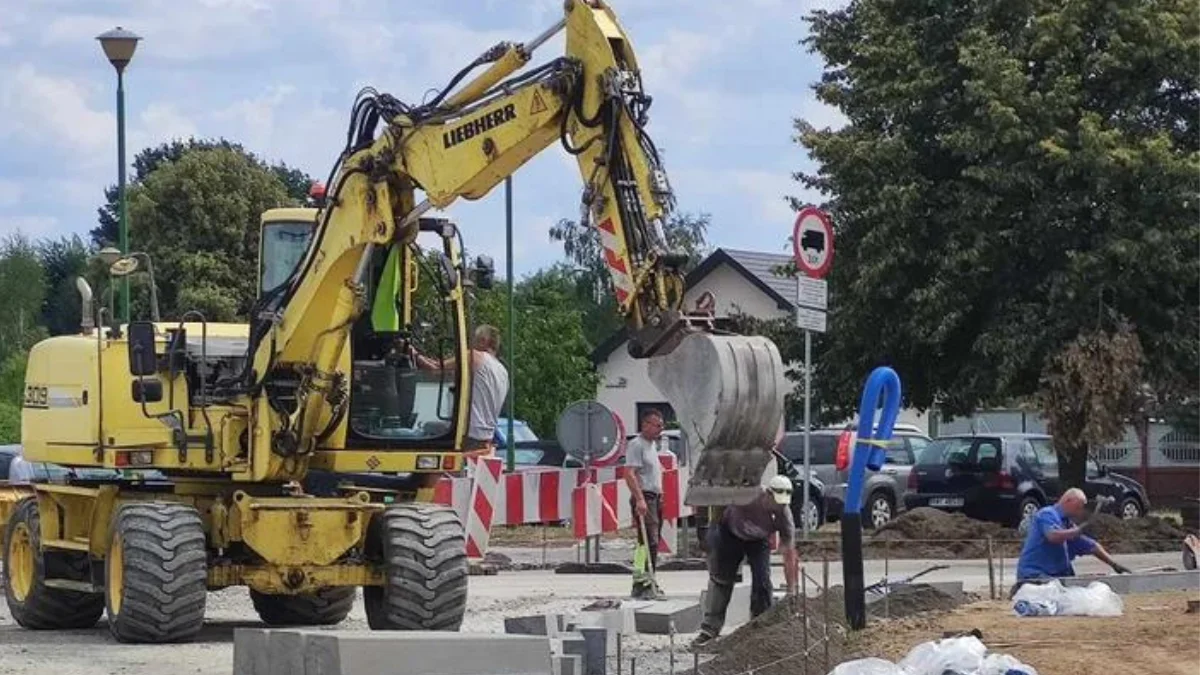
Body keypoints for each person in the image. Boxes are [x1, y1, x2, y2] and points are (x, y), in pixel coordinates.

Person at [691, 475, 800, 649]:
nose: (778, 507)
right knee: (721, 580)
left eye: (782, 504)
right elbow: (719, 503)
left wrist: (792, 589)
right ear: (768, 494)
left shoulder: (784, 515)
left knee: (763, 582)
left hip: (758, 541)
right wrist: (711, 535)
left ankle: (760, 628)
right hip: (730, 534)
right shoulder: (747, 495)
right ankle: (709, 630)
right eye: (776, 502)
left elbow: (789, 553)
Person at [412, 324, 509, 458]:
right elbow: (438, 364)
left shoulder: (474, 356)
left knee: (425, 430)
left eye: (474, 339)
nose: (472, 342)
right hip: (485, 437)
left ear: (483, 341)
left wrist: (413, 354)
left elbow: (435, 369)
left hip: (466, 433)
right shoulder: (502, 371)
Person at [1011, 487, 1130, 597]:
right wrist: (1075, 531)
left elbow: (1091, 546)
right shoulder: (1047, 514)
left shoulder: (1066, 524)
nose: (1080, 511)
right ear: (1068, 501)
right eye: (1078, 506)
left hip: (1055, 579)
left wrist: (1114, 565)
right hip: (1034, 577)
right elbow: (1052, 536)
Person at [624, 409, 665, 600]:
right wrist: (639, 499)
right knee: (651, 541)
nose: (660, 429)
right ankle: (647, 582)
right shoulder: (637, 445)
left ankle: (639, 581)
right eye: (657, 425)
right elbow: (629, 473)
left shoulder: (651, 446)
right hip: (645, 497)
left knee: (643, 543)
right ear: (646, 425)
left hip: (655, 497)